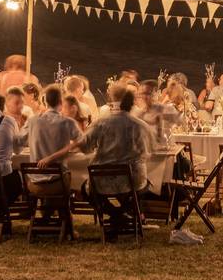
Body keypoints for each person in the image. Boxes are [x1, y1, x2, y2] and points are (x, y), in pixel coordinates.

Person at [39, 86, 152, 231]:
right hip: (132, 181)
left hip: (102, 182)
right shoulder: (141, 126)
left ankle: (116, 215)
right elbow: (146, 153)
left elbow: (85, 147)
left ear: (111, 101)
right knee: (145, 186)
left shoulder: (100, 123)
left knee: (86, 190)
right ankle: (120, 215)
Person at [18, 85, 82, 200]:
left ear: (44, 101)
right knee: (73, 174)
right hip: (59, 183)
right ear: (61, 102)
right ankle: (59, 211)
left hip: (35, 183)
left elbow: (19, 141)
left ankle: (47, 210)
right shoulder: (67, 122)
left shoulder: (32, 120)